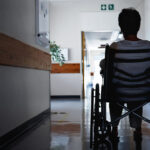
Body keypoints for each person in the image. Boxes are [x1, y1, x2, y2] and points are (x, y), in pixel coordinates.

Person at [100, 8, 150, 138]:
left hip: (119, 93)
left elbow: (105, 66)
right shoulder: (148, 47)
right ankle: (137, 128)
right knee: (137, 93)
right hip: (143, 93)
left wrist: (102, 64)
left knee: (114, 91)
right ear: (138, 26)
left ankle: (114, 127)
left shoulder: (115, 47)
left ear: (121, 26)